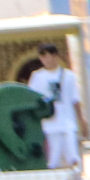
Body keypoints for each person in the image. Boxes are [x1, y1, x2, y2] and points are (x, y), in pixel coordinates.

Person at [26, 42, 80, 170]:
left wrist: (81, 119)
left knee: (72, 155)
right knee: (53, 159)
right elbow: (31, 100)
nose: (45, 60)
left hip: (68, 120)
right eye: (42, 57)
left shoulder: (69, 76)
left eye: (47, 56)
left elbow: (75, 98)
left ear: (55, 56)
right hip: (49, 123)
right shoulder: (37, 77)